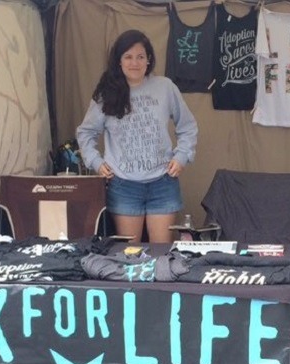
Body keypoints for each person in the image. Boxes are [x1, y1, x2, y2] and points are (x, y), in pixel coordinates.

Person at [76, 30, 198, 243]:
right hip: (123, 185)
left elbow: (187, 126)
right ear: (119, 61)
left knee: (161, 252)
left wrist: (182, 156)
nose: (135, 63)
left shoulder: (165, 87)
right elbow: (86, 132)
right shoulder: (106, 94)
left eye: (140, 57)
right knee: (130, 254)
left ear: (149, 60)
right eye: (128, 57)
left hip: (163, 181)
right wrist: (96, 162)